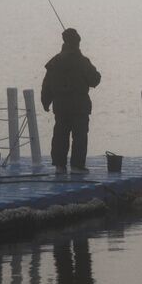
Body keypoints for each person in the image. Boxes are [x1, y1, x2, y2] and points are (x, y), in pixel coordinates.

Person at [41, 28, 101, 174]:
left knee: (60, 135)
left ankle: (59, 166)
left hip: (60, 106)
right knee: (79, 136)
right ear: (77, 42)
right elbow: (95, 80)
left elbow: (46, 84)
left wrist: (45, 101)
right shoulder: (82, 61)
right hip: (79, 106)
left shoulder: (54, 62)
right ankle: (77, 166)